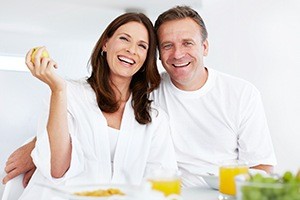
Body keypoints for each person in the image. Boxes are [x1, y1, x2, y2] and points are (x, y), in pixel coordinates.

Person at [2, 5, 276, 188]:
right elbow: (87, 108)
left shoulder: (241, 94)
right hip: (169, 191)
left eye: (187, 43)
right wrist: (38, 146)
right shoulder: (147, 92)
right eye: (167, 45)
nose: (178, 54)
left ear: (205, 46)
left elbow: (262, 166)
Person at [9, 12, 177, 199]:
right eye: (124, 39)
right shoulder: (67, 94)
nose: (131, 50)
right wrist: (58, 91)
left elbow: (164, 185)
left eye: (142, 46)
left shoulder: (155, 118)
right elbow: (58, 170)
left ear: (146, 58)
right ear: (105, 44)